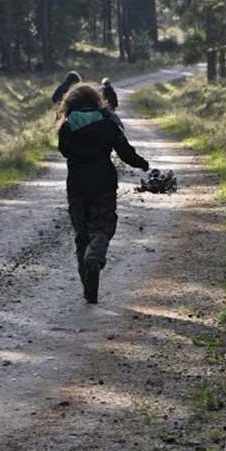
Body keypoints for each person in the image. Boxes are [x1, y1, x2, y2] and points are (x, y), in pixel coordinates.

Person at [57, 83, 149, 304]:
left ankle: (90, 291)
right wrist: (142, 163)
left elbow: (65, 151)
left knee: (82, 236)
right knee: (103, 228)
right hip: (103, 185)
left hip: (77, 187)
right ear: (95, 100)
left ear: (70, 104)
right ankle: (95, 256)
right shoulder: (107, 122)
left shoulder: (67, 126)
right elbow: (125, 151)